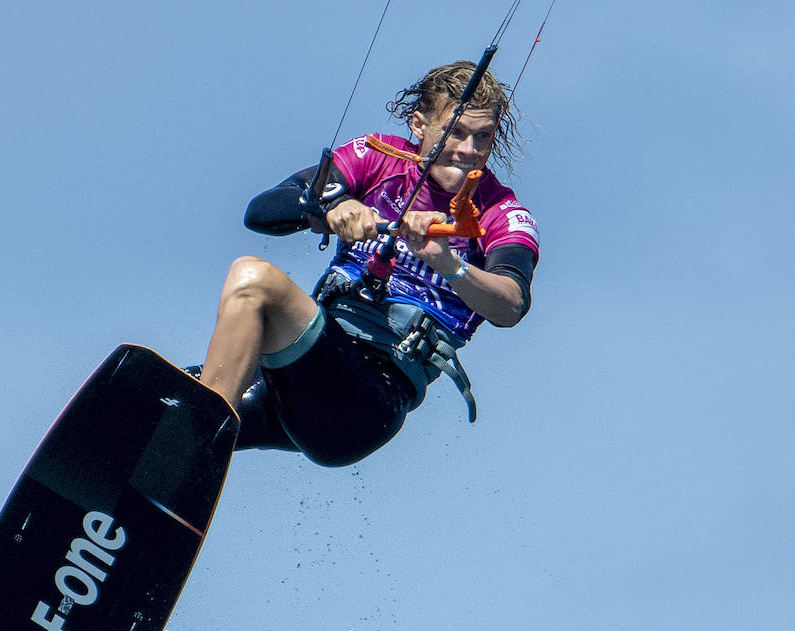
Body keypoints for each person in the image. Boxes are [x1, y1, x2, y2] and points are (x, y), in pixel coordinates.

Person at [194, 60, 539, 467]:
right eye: (455, 132)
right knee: (155, 398)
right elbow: (262, 211)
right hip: (301, 375)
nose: (469, 151)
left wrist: (449, 264)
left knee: (253, 279)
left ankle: (192, 428)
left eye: (482, 137)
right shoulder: (376, 158)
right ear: (418, 125)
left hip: (367, 401)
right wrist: (334, 206)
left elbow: (511, 305)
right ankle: (138, 492)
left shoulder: (502, 211)